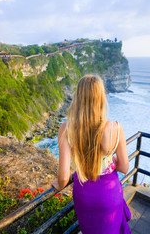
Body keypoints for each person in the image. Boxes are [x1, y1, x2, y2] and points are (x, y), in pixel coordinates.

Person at [52, 75, 131, 234]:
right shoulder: (116, 128)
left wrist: (57, 184)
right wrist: (109, 159)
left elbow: (63, 177)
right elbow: (124, 168)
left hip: (85, 195)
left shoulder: (67, 129)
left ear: (79, 97)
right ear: (101, 98)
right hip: (110, 193)